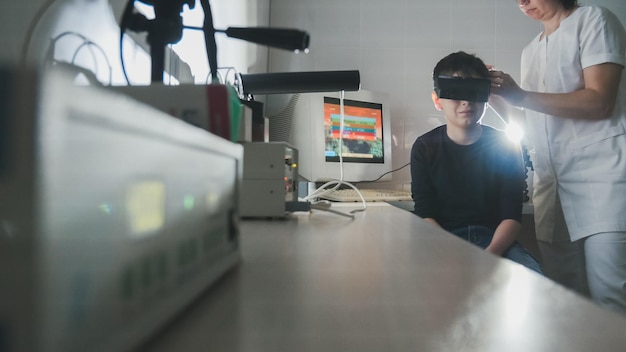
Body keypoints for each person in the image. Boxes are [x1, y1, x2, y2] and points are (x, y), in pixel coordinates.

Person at [489, 0, 626, 314]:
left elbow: (599, 102)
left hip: (603, 182)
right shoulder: (530, 51)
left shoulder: (594, 20)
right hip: (552, 188)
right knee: (565, 302)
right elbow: (532, 127)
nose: (522, 2)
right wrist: (498, 98)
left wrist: (520, 95)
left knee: (611, 298)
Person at [410, 51, 542, 274]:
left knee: (533, 279)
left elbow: (511, 215)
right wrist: (451, 253)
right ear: (437, 99)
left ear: (486, 96)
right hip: (442, 241)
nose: (465, 101)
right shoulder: (424, 147)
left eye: (473, 91)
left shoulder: (505, 146)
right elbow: (425, 213)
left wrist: (489, 255)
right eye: (455, 91)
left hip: (497, 243)